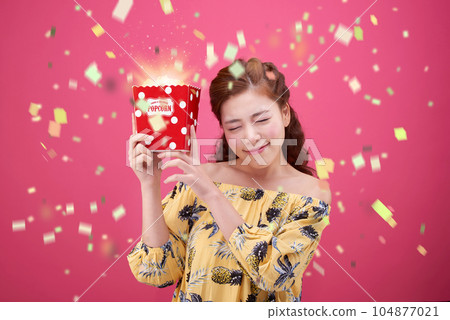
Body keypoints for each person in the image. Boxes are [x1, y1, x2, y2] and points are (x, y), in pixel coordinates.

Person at [127, 57, 332, 302]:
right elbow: (157, 271)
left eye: (262, 119)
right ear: (223, 130)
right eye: (235, 127)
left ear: (284, 113)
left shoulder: (311, 194)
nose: (251, 136)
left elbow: (274, 274)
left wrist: (212, 196)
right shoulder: (198, 178)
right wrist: (149, 184)